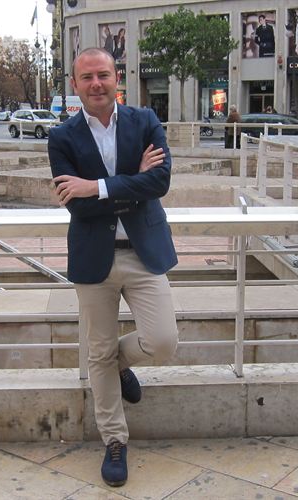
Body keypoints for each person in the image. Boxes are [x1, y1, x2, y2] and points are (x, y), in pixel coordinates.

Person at [48, 47, 178, 488]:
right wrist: (131, 183)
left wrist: (97, 186)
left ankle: (119, 365)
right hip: (93, 257)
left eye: (103, 75)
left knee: (162, 341)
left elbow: (160, 181)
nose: (96, 84)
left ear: (117, 77)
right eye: (87, 77)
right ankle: (115, 441)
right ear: (75, 84)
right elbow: (78, 207)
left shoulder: (145, 121)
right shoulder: (61, 137)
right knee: (98, 350)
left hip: (143, 252)